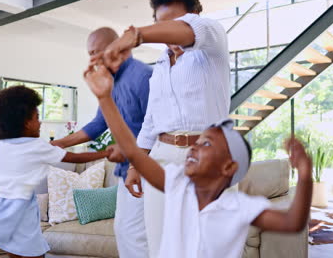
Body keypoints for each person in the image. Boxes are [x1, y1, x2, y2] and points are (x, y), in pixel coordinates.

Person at [83, 63, 313, 258]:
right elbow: (133, 149)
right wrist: (105, 99)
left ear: (228, 166)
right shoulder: (176, 185)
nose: (193, 146)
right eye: (197, 141)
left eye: (206, 144)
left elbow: (293, 222)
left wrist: (304, 174)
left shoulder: (239, 207)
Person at [91, 0, 231, 255]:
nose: (167, 32)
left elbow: (188, 31)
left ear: (194, 15)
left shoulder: (213, 40)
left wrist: (134, 35)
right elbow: (151, 120)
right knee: (159, 245)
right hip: (161, 156)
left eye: (175, 22)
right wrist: (136, 164)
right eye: (159, 23)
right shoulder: (161, 64)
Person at [0, 86, 113, 258]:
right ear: (25, 123)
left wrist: (53, 145)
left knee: (15, 251)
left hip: (0, 207)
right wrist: (106, 153)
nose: (40, 122)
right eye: (37, 118)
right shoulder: (36, 146)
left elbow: (32, 152)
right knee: (33, 252)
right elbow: (74, 158)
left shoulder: (0, 144)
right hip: (20, 208)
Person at [50, 27, 152, 257]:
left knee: (136, 233)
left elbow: (155, 126)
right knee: (124, 230)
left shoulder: (143, 76)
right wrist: (60, 144)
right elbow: (98, 124)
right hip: (128, 169)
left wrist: (138, 165)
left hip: (147, 168)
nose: (92, 59)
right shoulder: (109, 81)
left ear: (115, 46)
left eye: (96, 51)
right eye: (89, 53)